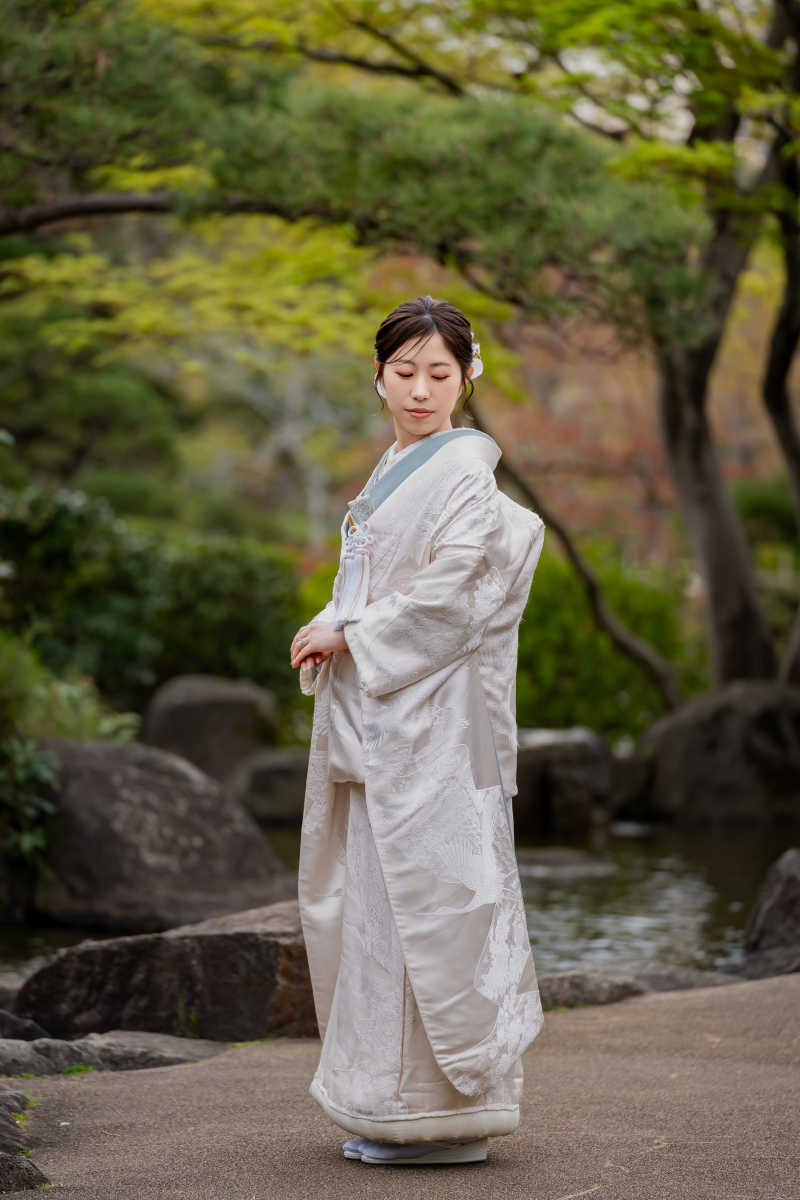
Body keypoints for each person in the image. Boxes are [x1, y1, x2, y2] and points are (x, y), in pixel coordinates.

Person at [290, 295, 545, 1167]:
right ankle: (391, 1105)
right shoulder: (398, 464)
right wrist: (332, 619)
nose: (421, 389)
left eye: (440, 373)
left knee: (432, 902)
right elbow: (375, 579)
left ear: (469, 377)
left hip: (437, 722)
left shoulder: (465, 469)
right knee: (381, 905)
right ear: (378, 376)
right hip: (391, 713)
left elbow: (456, 592)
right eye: (405, 372)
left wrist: (352, 633)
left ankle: (436, 1114)